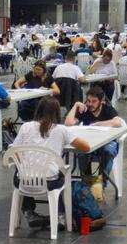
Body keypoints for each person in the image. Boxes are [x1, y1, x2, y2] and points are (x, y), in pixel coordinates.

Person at [11, 96, 94, 230]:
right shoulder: (61, 130)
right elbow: (86, 147)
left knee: (19, 171)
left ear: (38, 111)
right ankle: (61, 215)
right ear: (57, 112)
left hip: (24, 181)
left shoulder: (26, 127)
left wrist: (22, 166)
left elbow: (14, 150)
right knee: (64, 171)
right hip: (49, 181)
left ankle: (28, 212)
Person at [65, 86, 124, 192]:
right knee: (81, 151)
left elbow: (118, 122)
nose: (91, 104)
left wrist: (98, 124)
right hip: (90, 143)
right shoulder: (86, 110)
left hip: (107, 142)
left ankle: (102, 182)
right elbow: (68, 123)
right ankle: (88, 181)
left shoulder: (108, 109)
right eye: (88, 101)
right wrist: (76, 105)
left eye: (94, 101)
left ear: (102, 101)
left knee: (109, 150)